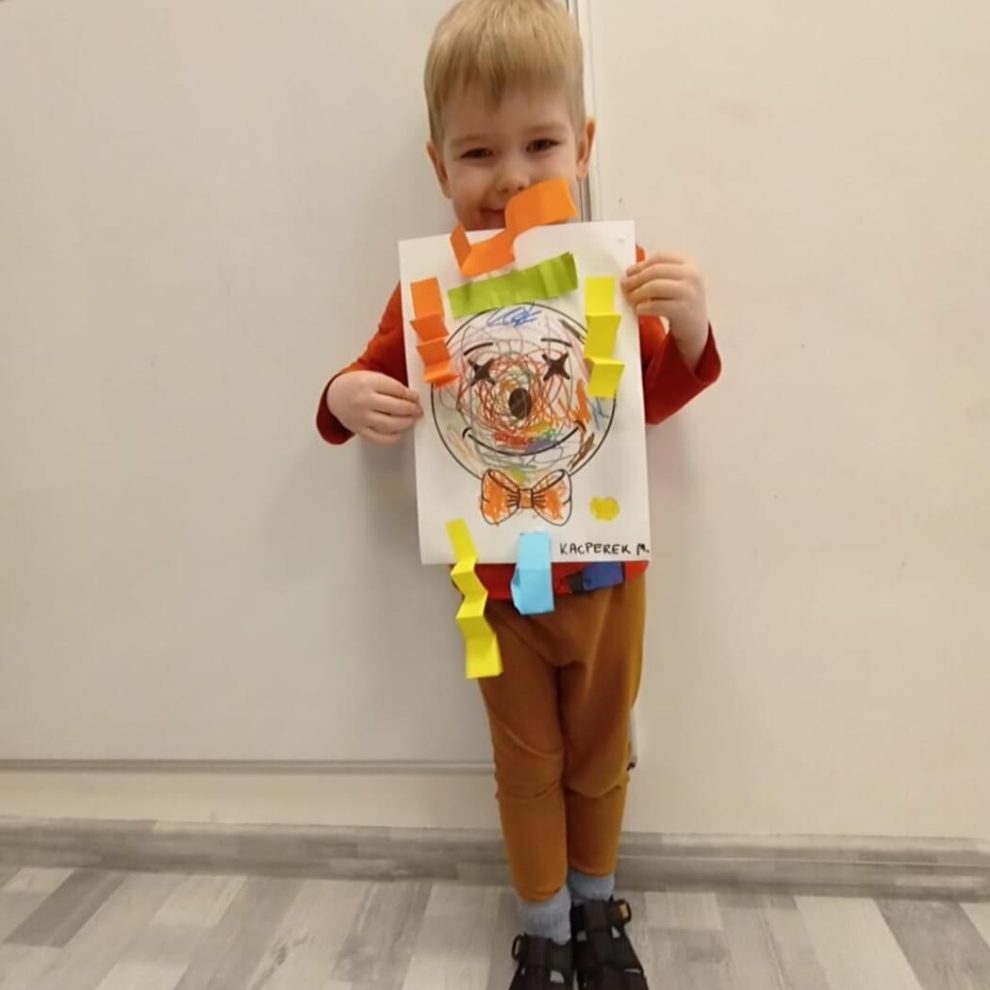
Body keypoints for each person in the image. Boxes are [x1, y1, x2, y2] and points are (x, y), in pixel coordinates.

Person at [316, 1, 721, 986]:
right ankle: (542, 928)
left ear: (584, 145)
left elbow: (655, 396)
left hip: (608, 582)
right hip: (495, 591)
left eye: (540, 144)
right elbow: (366, 380)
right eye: (478, 153)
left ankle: (596, 910)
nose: (510, 178)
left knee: (602, 756)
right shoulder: (429, 291)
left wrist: (691, 325)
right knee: (525, 765)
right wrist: (342, 396)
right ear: (439, 167)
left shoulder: (613, 275)